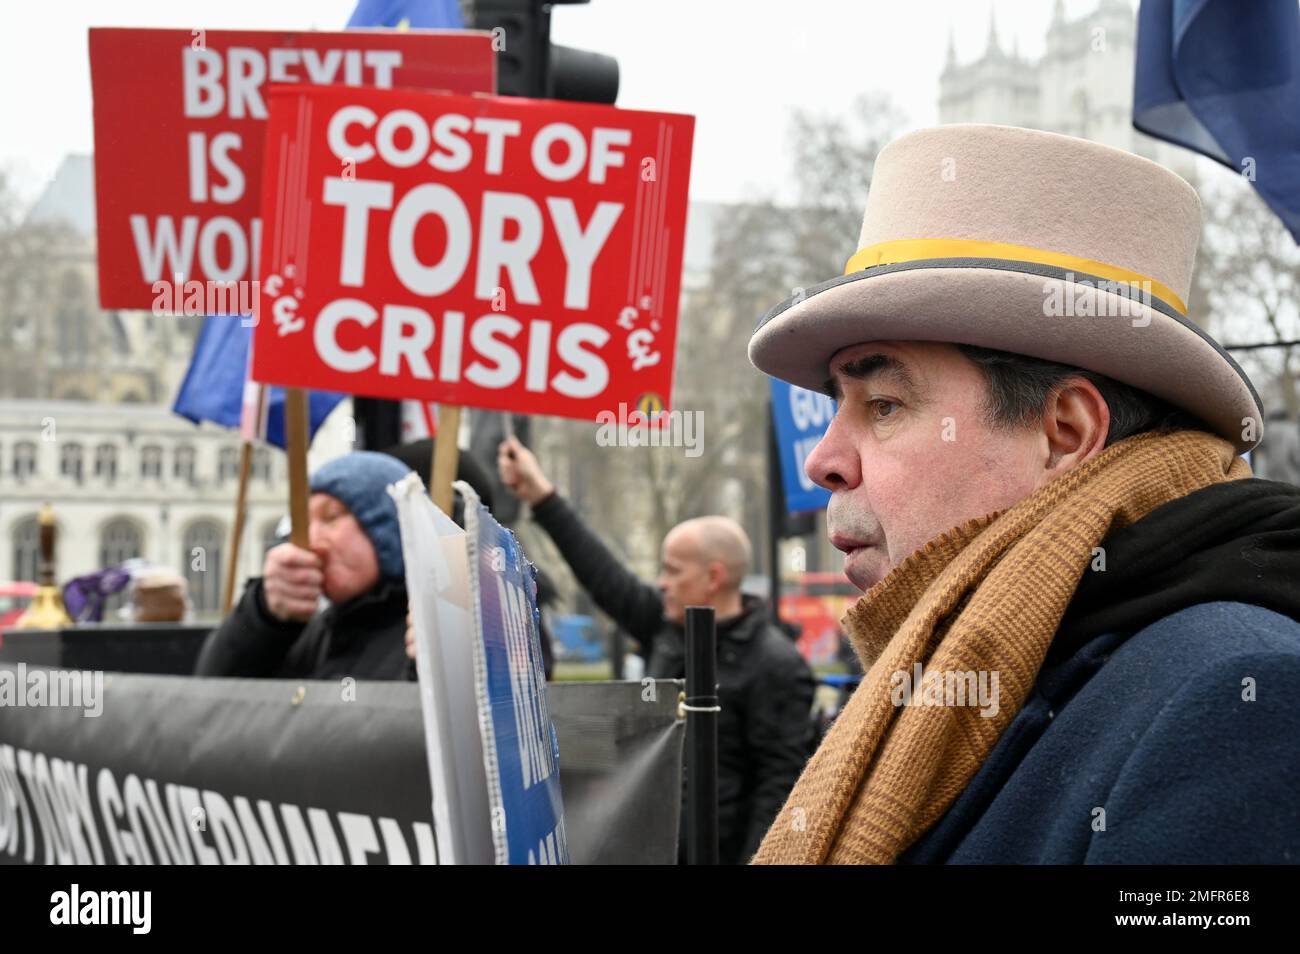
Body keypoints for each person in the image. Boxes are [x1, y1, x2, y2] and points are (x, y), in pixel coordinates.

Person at [745, 124, 1300, 864]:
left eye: (883, 404)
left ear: (1065, 434)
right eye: (837, 404)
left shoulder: (1235, 700)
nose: (823, 461)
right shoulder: (960, 675)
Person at [497, 437, 815, 864]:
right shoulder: (666, 626)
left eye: (672, 570)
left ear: (713, 576)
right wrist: (542, 496)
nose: (661, 582)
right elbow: (603, 576)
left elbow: (780, 788)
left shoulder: (775, 663)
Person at [195, 451, 414, 681]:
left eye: (331, 517)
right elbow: (217, 687)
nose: (312, 539)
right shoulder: (314, 633)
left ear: (390, 529)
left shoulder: (425, 636)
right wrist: (263, 613)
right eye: (304, 522)